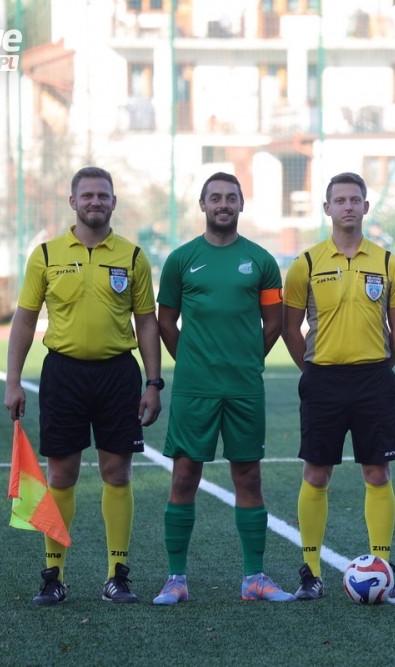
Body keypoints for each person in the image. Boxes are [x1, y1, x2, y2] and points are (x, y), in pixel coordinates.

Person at [4, 166, 163, 605]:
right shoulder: (46, 254)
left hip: (118, 375)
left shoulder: (133, 256)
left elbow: (146, 323)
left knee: (117, 473)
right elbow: (25, 319)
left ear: (114, 202)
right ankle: (53, 576)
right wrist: (13, 381)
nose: (96, 202)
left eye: (103, 195)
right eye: (88, 195)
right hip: (63, 375)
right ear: (73, 202)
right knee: (61, 474)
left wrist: (153, 382)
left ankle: (117, 575)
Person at [152, 172, 294, 604]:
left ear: (241, 205)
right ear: (202, 205)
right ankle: (176, 579)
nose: (223, 204)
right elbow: (165, 321)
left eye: (231, 197)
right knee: (184, 475)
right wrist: (191, 361)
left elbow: (274, 323)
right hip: (194, 387)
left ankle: (254, 578)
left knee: (248, 475)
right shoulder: (181, 260)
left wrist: (248, 358)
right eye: (215, 198)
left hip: (244, 387)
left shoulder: (261, 261)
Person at [282, 172, 395, 600]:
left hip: (374, 379)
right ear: (327, 209)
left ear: (366, 207)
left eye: (355, 200)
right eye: (340, 200)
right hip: (323, 380)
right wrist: (311, 369)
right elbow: (289, 327)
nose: (348, 207)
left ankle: (382, 567)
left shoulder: (388, 262)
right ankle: (311, 571)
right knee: (317, 473)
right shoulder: (306, 263)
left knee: (377, 472)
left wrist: (380, 366)